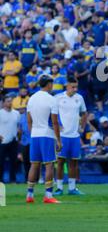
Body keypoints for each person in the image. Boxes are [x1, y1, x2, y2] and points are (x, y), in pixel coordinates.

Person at [26, 75, 62, 204]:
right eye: (51, 84)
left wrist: (33, 133)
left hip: (35, 134)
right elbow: (55, 122)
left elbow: (29, 121)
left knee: (34, 164)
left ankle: (29, 195)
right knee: (49, 164)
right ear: (48, 84)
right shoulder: (52, 100)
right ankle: (48, 195)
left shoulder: (31, 99)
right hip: (47, 134)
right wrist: (58, 140)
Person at [55, 77, 87, 196]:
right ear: (66, 86)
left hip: (75, 136)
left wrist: (82, 127)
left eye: (76, 87)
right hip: (62, 136)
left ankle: (72, 188)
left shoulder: (79, 98)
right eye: (73, 87)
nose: (75, 89)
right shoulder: (58, 98)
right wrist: (57, 125)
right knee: (60, 162)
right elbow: (52, 114)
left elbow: (84, 113)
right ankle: (59, 188)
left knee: (73, 163)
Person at [0, 95, 21, 183]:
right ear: (3, 103)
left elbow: (18, 127)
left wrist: (18, 137)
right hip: (2, 141)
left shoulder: (16, 113)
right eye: (8, 101)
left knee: (14, 161)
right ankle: (0, 180)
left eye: (10, 101)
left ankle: (13, 179)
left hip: (13, 141)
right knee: (0, 162)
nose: (10, 103)